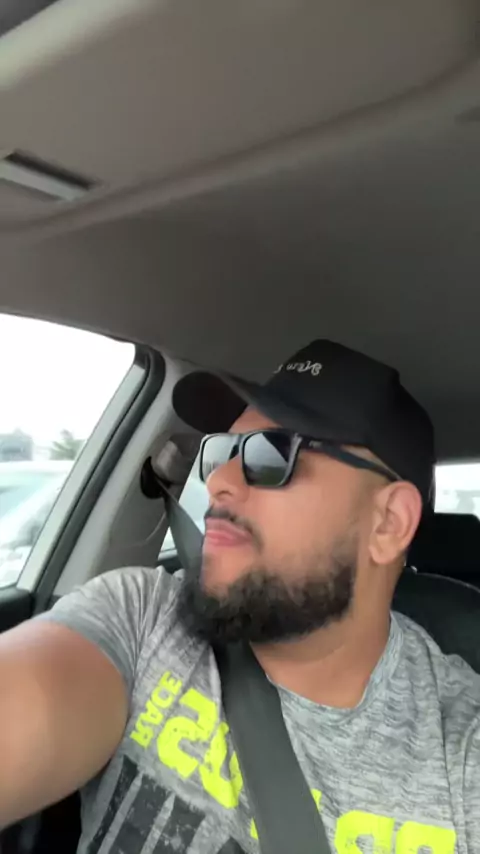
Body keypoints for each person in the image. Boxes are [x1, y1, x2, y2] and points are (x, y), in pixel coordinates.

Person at [0, 339, 478, 854]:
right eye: (220, 452)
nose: (219, 481)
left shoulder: (461, 750)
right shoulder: (140, 617)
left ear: (388, 522)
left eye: (270, 454)